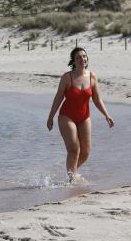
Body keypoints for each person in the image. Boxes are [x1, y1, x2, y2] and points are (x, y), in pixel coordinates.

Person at [46, 47, 115, 182]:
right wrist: (51, 117)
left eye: (84, 56)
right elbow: (58, 97)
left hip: (84, 117)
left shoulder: (92, 76)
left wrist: (107, 115)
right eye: (78, 57)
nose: (82, 59)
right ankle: (71, 180)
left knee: (85, 152)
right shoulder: (67, 77)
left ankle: (71, 172)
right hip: (67, 116)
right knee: (74, 149)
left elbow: (96, 99)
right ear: (74, 61)